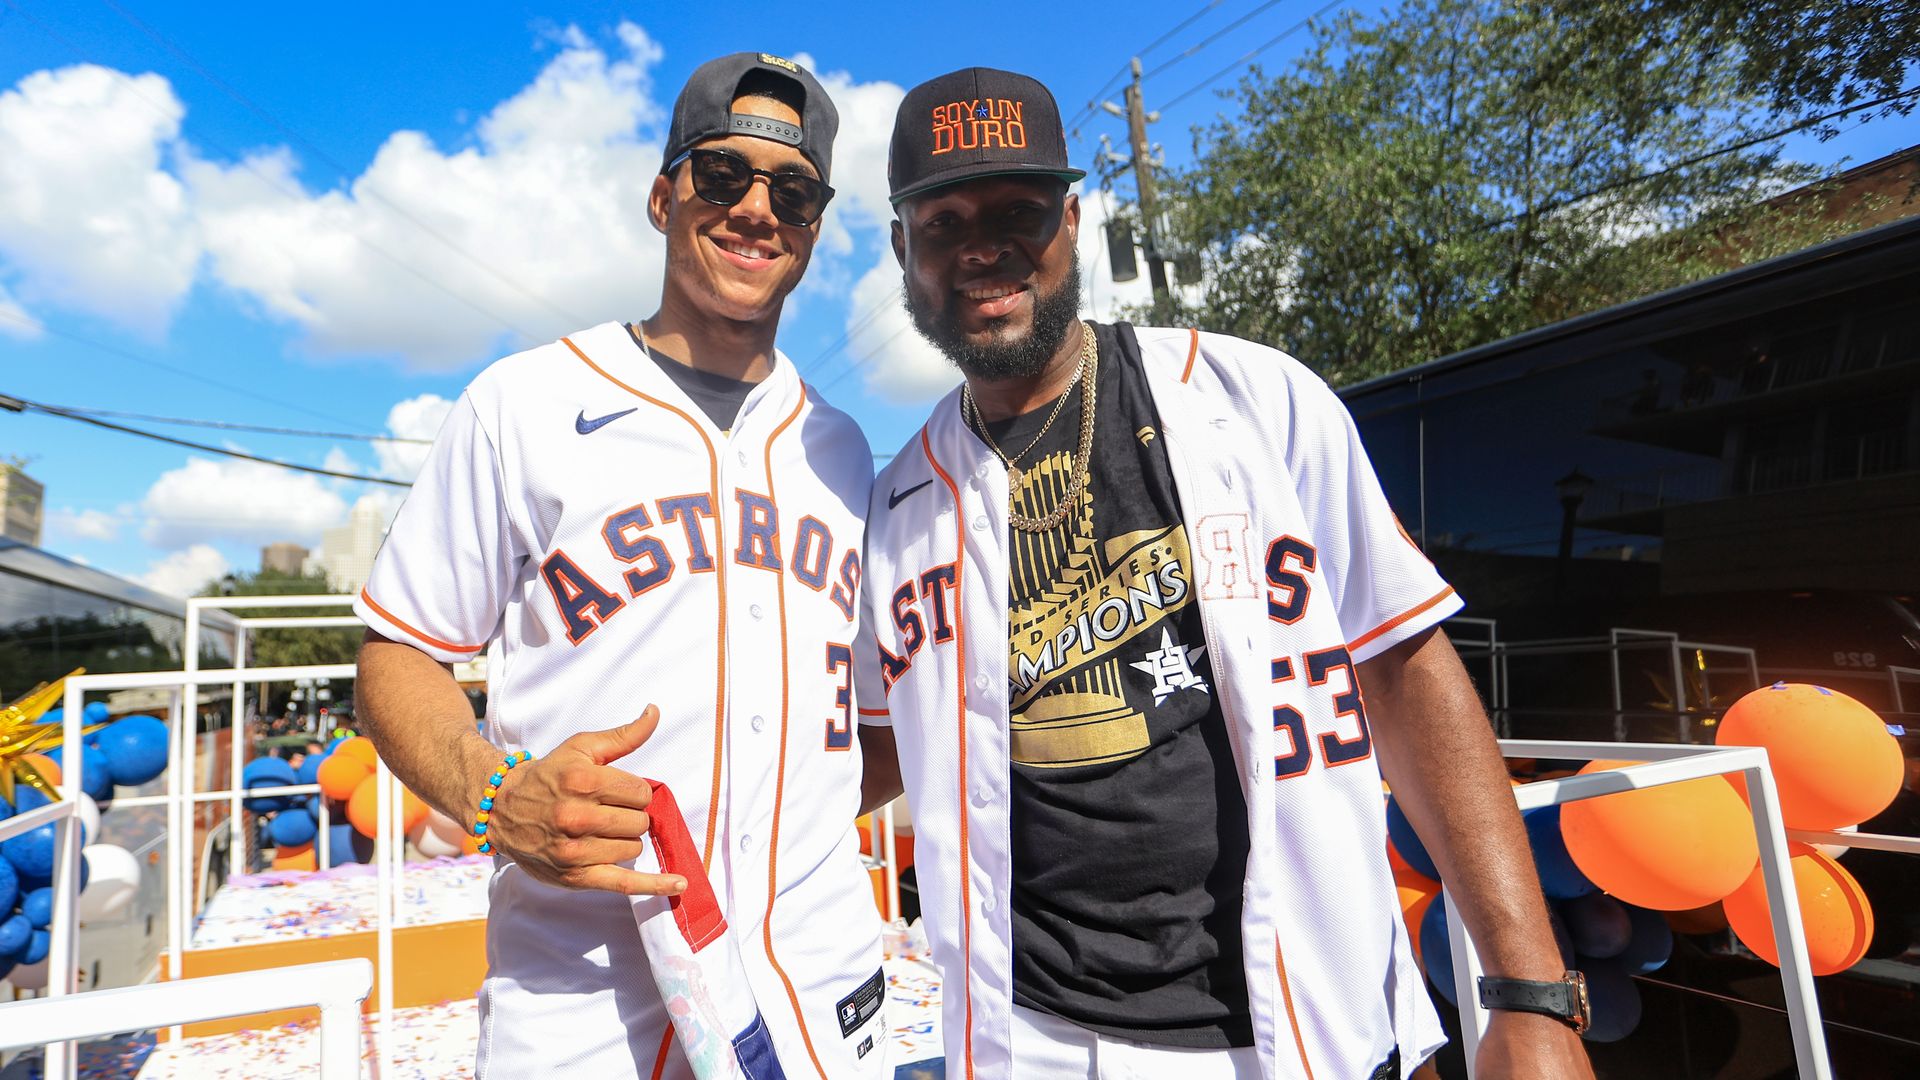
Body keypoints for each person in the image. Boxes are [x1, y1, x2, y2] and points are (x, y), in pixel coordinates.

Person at [854, 67, 1596, 1080]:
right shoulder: (896, 509)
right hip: (1030, 1037)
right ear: (904, 250)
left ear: (1072, 222)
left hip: (1307, 1015)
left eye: (1016, 211)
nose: (980, 246)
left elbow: (1406, 669)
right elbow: (863, 753)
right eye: (942, 222)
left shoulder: (1256, 398)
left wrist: (1529, 992)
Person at [354, 53, 890, 1079]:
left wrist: (790, 811)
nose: (755, 209)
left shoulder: (844, 448)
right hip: (582, 990)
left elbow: (869, 734)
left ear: (815, 228)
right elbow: (398, 655)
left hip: (816, 981)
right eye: (721, 175)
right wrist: (491, 787)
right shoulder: (525, 402)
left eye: (793, 190)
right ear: (663, 194)